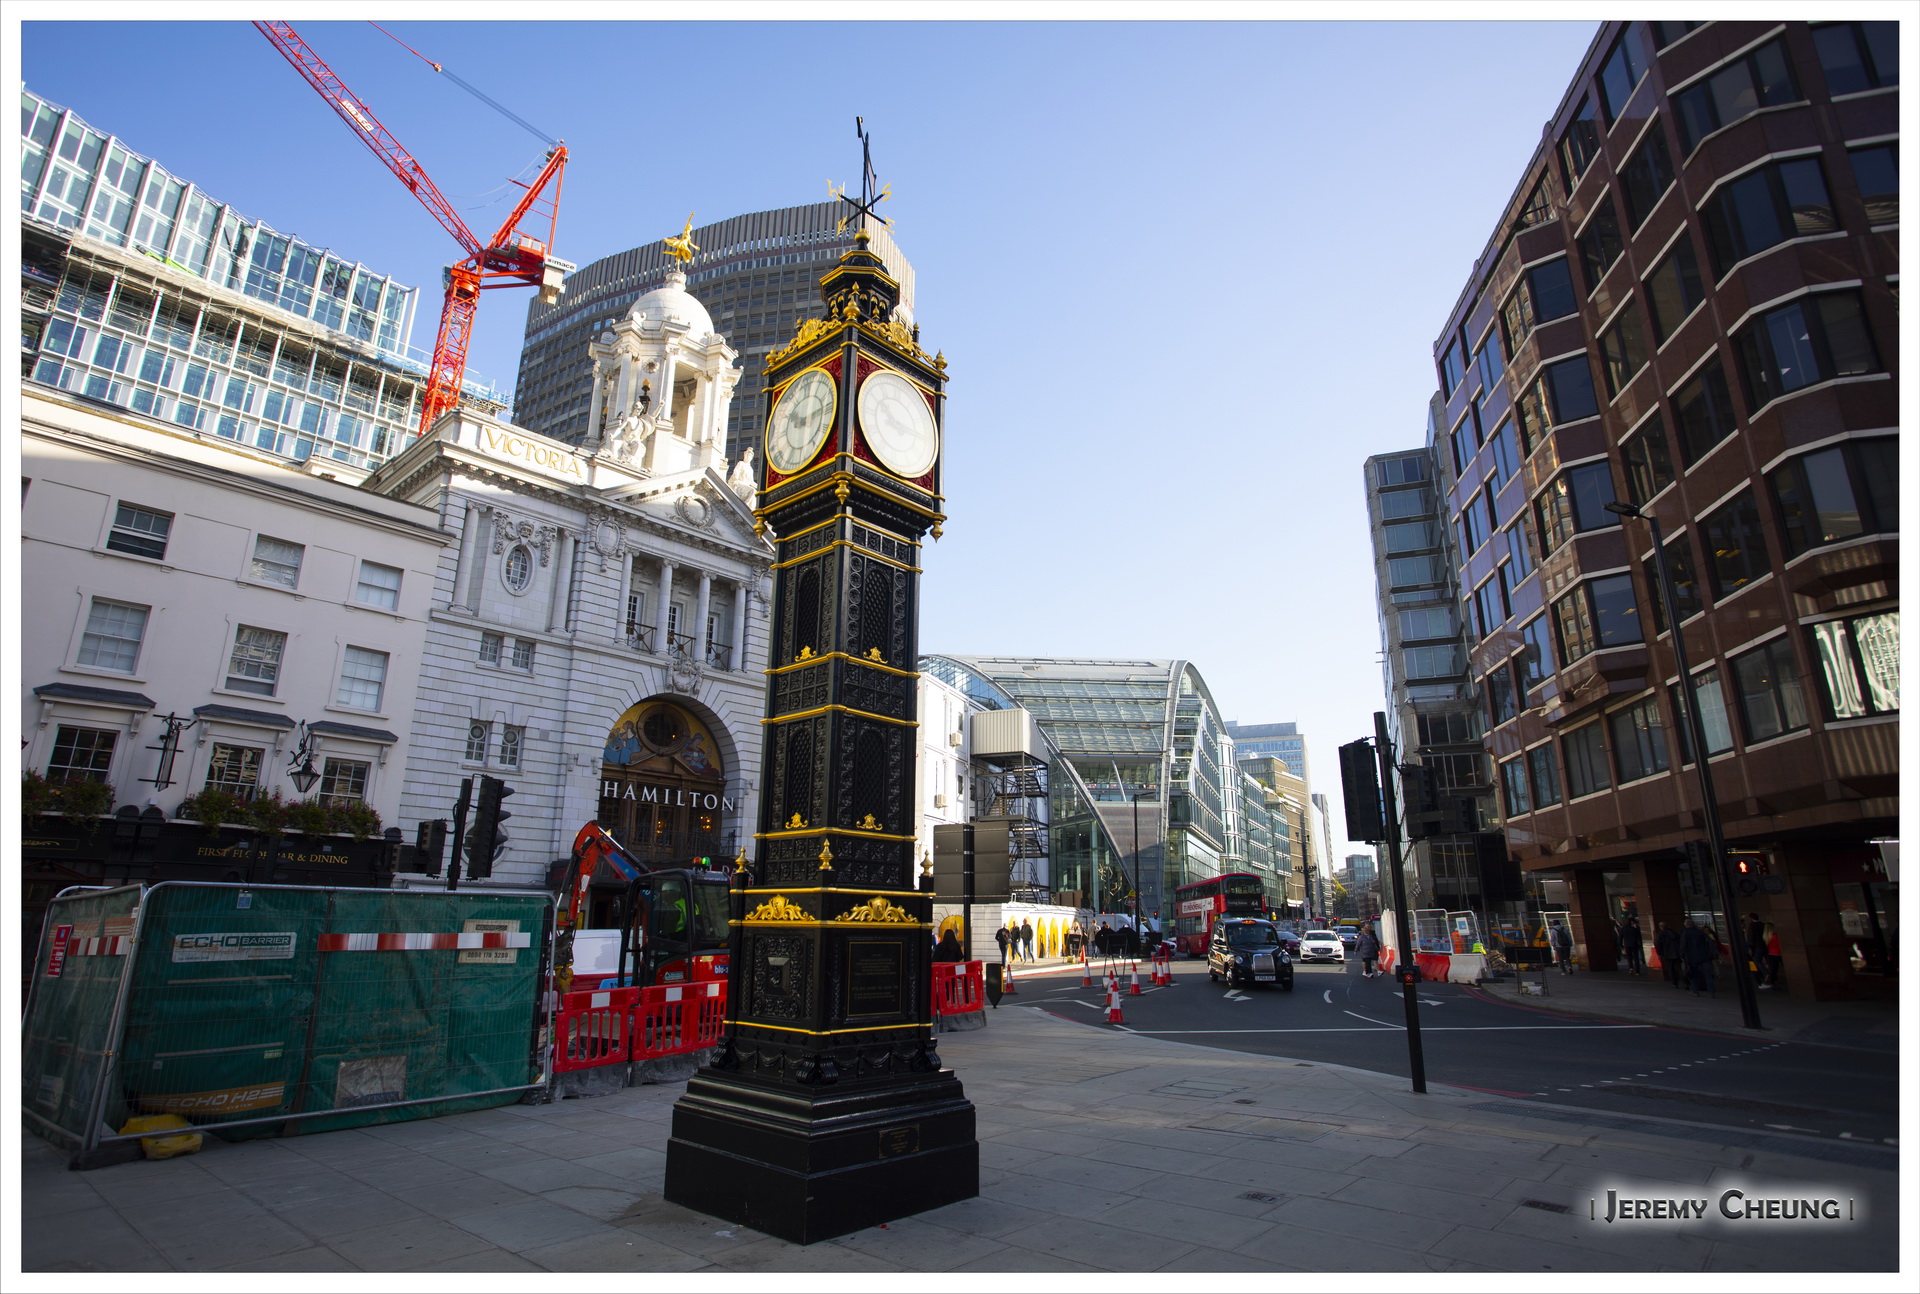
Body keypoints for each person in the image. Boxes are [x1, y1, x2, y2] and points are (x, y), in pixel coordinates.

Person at [1680, 918, 1718, 996]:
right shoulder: (1700, 932)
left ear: (1685, 924)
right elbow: (1709, 942)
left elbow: (1683, 946)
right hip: (1704, 956)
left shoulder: (1685, 933)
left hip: (1692, 957)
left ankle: (1695, 990)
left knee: (1695, 975)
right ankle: (1712, 991)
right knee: (1708, 974)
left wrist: (1682, 956)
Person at [1654, 921, 1683, 989]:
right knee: (1679, 968)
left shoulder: (1661, 934)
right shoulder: (1675, 933)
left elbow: (1658, 944)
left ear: (1661, 927)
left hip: (1667, 954)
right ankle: (1686, 982)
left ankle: (1674, 983)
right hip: (1677, 953)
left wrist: (1660, 953)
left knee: (1671, 969)